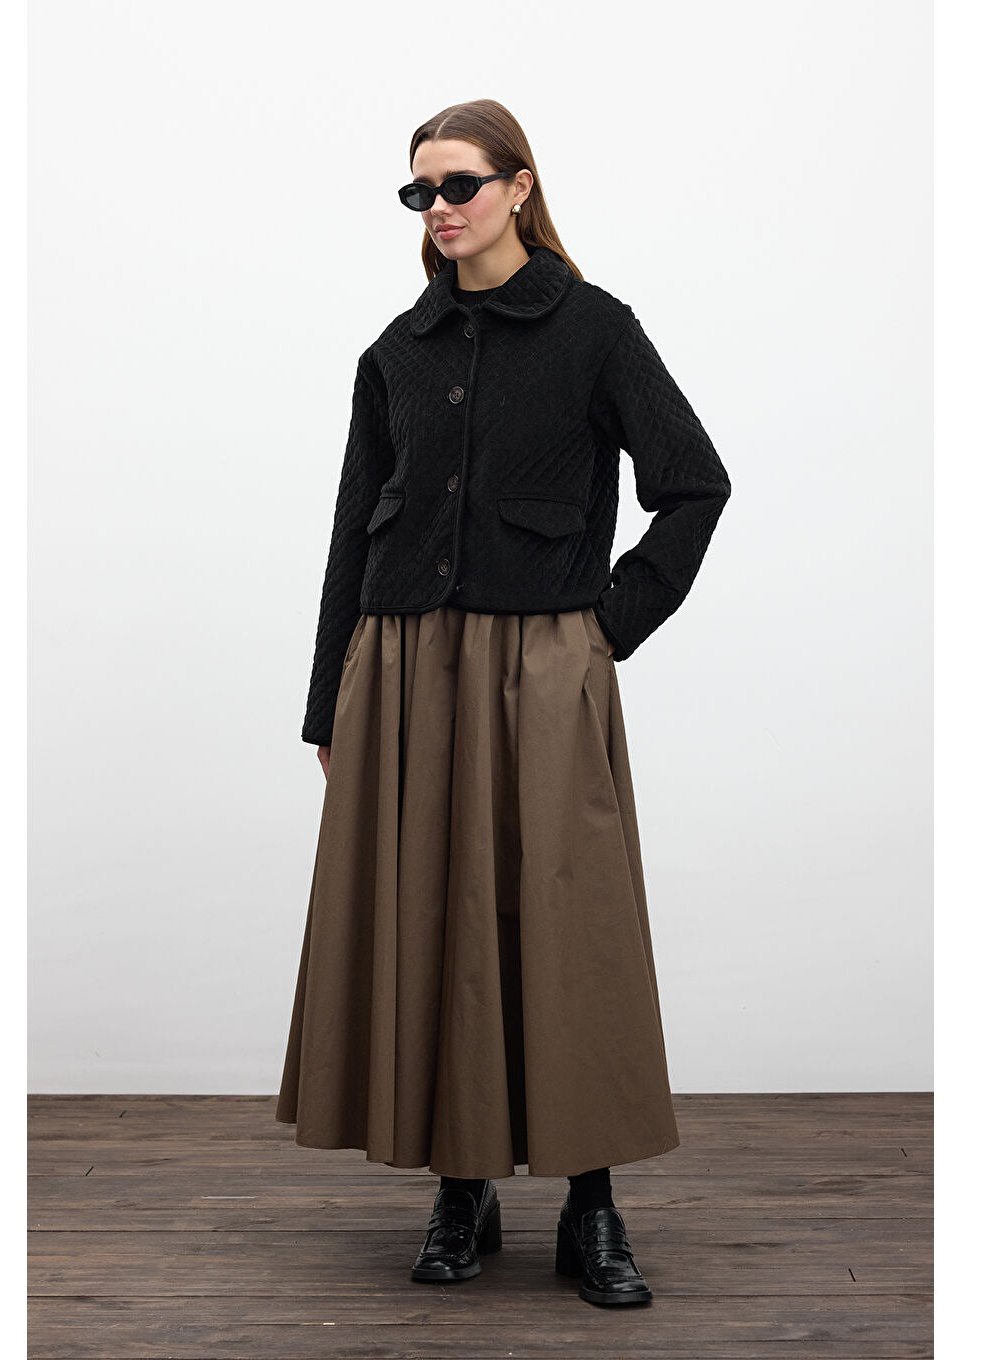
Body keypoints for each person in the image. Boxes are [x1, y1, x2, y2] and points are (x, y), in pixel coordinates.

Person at [275, 98, 731, 1309]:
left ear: (520, 187)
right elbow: (350, 536)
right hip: (404, 675)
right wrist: (328, 707)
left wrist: (607, 624)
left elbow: (694, 484)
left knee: (568, 928)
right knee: (434, 925)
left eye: (460, 184)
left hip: (543, 668)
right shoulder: (397, 353)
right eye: (420, 191)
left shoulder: (595, 330)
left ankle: (593, 1203)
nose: (440, 208)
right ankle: (461, 1187)